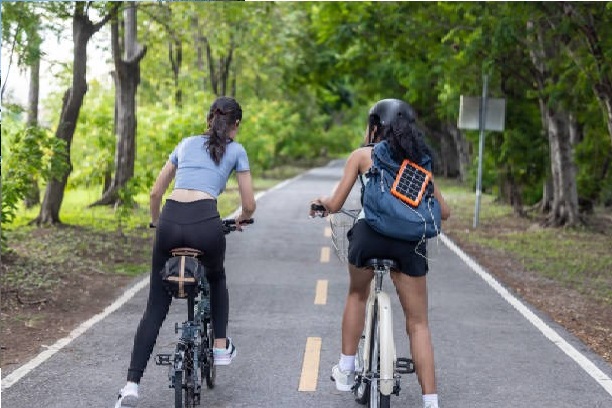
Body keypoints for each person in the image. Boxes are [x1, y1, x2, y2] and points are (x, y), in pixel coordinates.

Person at [115, 96, 256, 408]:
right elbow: (248, 204)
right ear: (236, 125)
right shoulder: (236, 150)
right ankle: (220, 346)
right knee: (216, 279)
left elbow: (155, 191)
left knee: (155, 305)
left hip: (169, 221)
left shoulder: (186, 143)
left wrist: (156, 223)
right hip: (206, 223)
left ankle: (131, 385)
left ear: (209, 119)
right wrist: (240, 219)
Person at [309, 99, 450, 408]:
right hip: (410, 245)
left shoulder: (363, 156)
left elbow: (334, 204)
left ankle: (346, 369)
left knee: (357, 293)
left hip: (369, 238)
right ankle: (431, 401)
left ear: (375, 128)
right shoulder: (420, 162)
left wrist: (320, 203)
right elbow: (445, 211)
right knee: (418, 324)